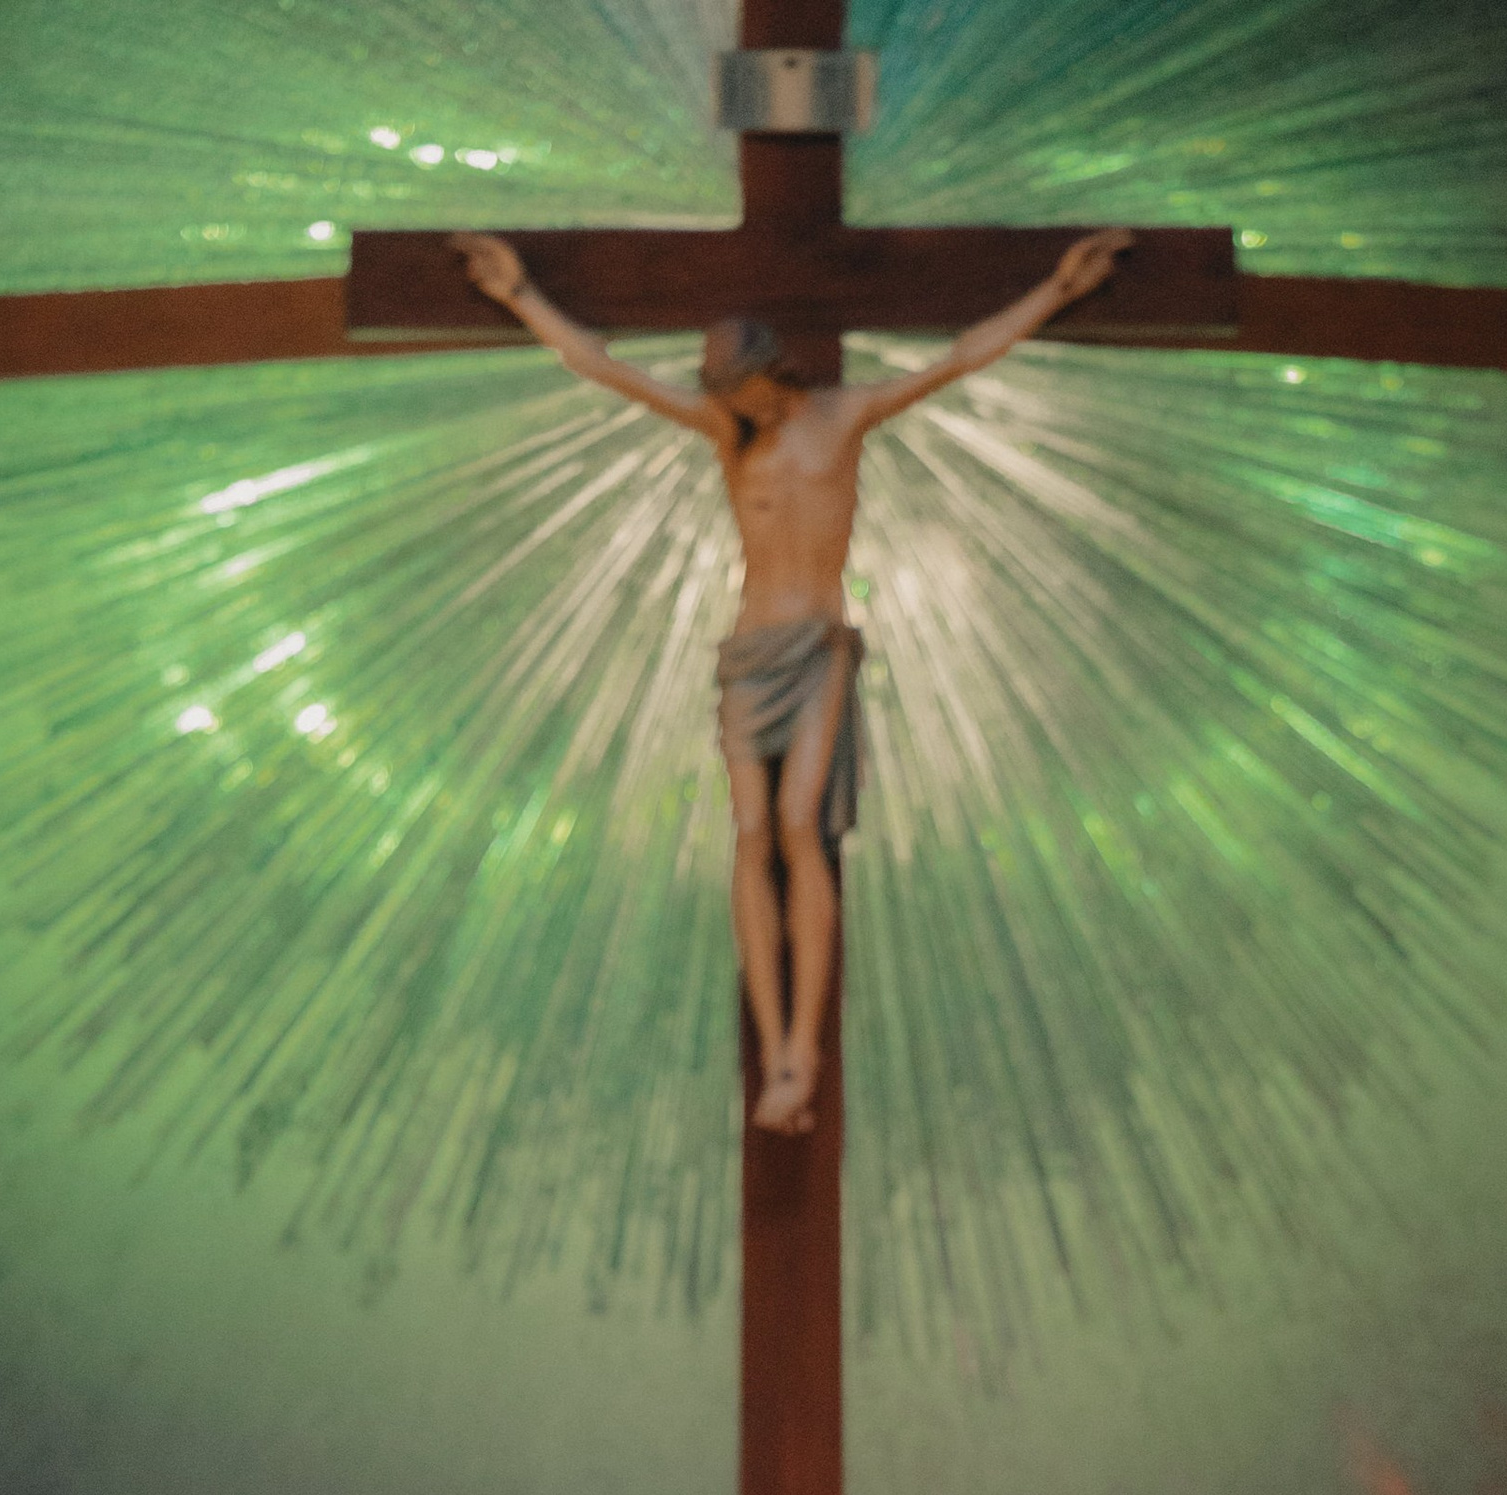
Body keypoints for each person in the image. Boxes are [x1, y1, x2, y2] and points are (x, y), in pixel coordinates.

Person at [451, 227, 1131, 1137]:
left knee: (801, 826)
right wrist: (518, 294)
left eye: (752, 396)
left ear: (777, 374)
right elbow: (606, 369)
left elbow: (960, 360)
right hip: (748, 654)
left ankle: (802, 1048)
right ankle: (771, 1042)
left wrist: (1057, 288)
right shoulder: (728, 435)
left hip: (817, 650)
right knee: (746, 832)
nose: (745, 413)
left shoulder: (840, 418)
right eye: (729, 401)